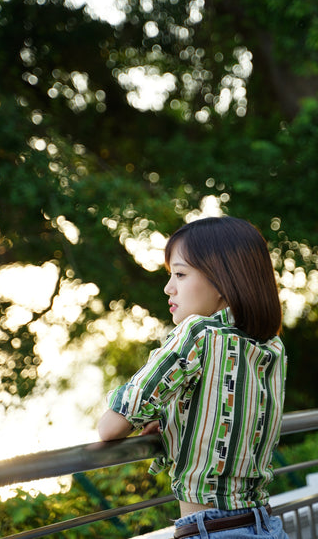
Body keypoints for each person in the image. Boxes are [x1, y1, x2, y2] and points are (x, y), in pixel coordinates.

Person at [98, 216, 288, 539]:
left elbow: (110, 427)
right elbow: (226, 415)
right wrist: (172, 417)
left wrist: (145, 409)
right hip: (265, 525)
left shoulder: (197, 333)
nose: (168, 288)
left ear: (224, 280)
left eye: (181, 274)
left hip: (211, 531)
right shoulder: (272, 347)